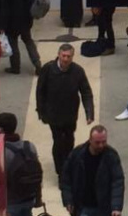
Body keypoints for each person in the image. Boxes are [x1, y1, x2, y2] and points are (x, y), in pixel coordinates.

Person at [37, 44, 95, 175]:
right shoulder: (48, 69)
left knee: (69, 141)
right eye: (63, 56)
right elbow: (40, 91)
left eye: (69, 56)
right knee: (58, 142)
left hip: (70, 114)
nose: (66, 59)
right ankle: (61, 172)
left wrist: (89, 113)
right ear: (58, 55)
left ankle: (68, 165)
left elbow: (86, 92)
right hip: (54, 114)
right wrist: (41, 112)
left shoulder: (78, 71)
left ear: (72, 57)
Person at [0, 112, 43, 216]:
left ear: (0, 129)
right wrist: (38, 199)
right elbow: (37, 172)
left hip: (12, 201)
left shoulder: (2, 152)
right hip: (29, 198)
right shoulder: (29, 146)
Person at [0, 0, 42, 75]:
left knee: (13, 43)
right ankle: (37, 63)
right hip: (25, 16)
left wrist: (2, 25)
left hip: (11, 20)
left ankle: (15, 67)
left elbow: (4, 8)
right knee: (28, 40)